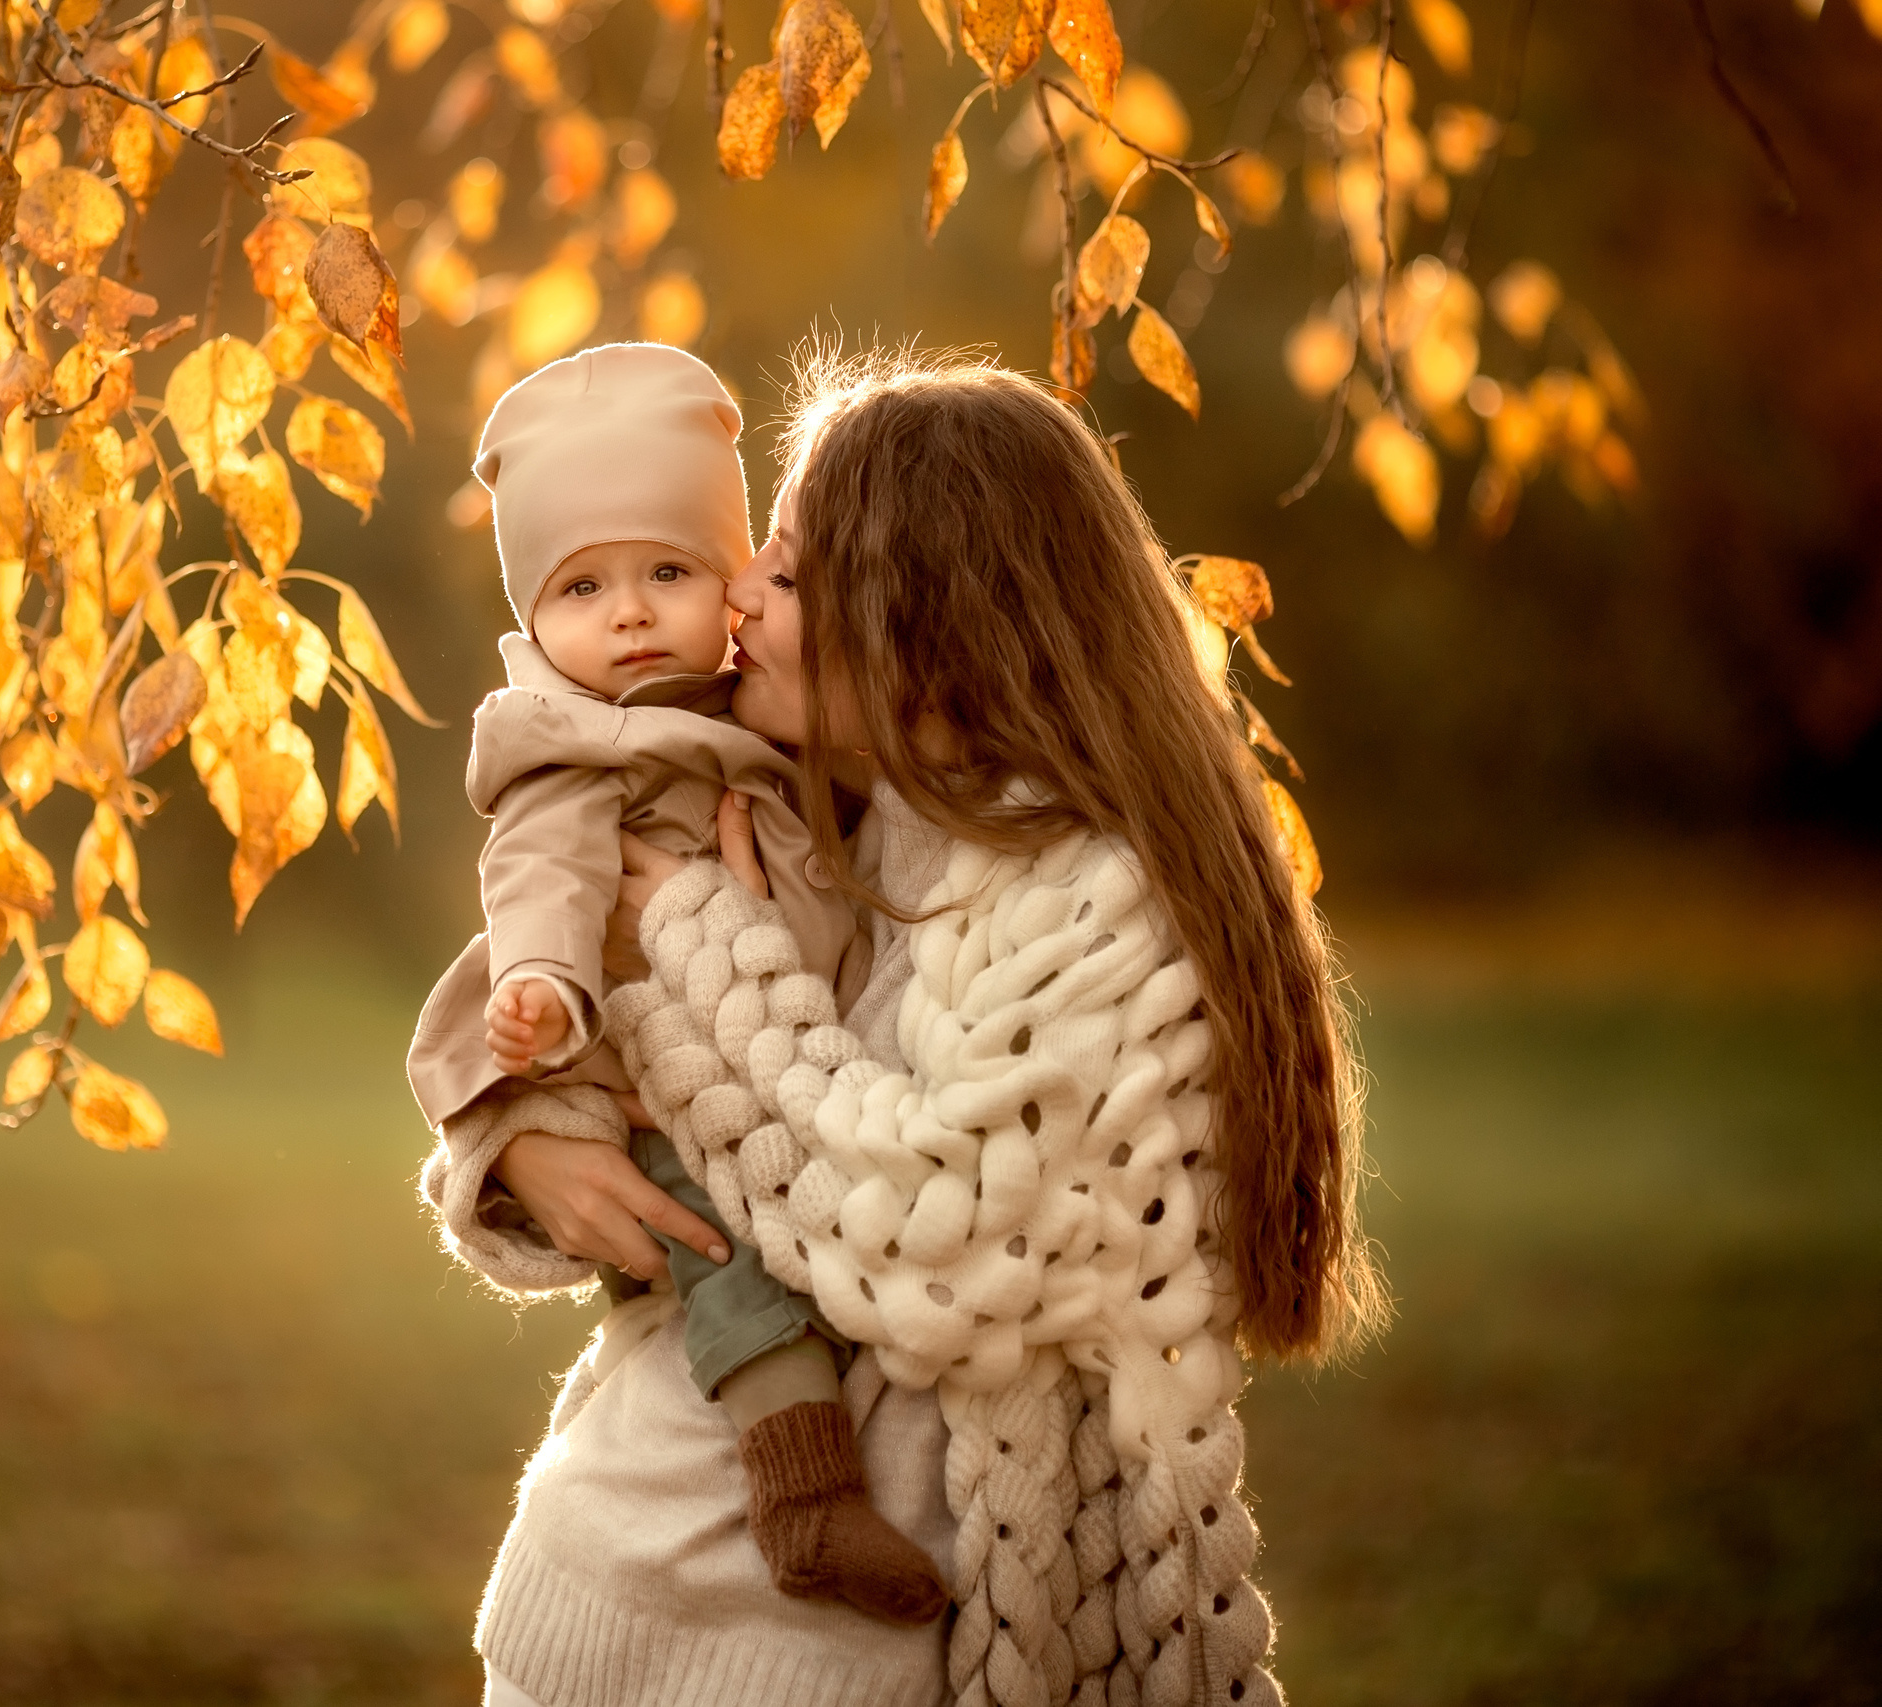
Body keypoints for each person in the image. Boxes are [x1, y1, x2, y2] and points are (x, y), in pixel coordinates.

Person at [421, 348, 1386, 1707]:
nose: (739, 593)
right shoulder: (838, 826)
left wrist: (705, 951)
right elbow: (533, 989)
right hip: (645, 1586)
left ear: (938, 625)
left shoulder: (1093, 901)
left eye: (796, 573)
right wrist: (512, 1144)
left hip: (817, 1645)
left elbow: (940, 1229)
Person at [409, 341, 948, 1627]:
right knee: (723, 1252)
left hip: (805, 1104)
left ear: (729, 589)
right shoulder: (579, 754)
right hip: (641, 1080)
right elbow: (538, 881)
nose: (634, 614)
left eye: (670, 572)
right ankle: (802, 1488)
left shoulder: (771, 718)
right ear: (531, 623)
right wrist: (541, 986)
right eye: (583, 588)